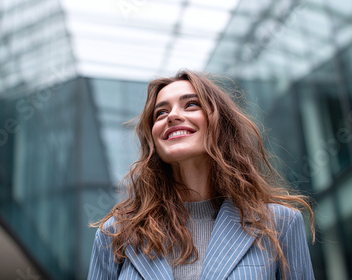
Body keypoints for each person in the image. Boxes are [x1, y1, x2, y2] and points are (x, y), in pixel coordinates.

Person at [87, 70, 315, 279]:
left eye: (191, 105)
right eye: (161, 112)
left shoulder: (280, 225)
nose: (172, 116)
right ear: (154, 141)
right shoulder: (116, 234)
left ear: (220, 125)